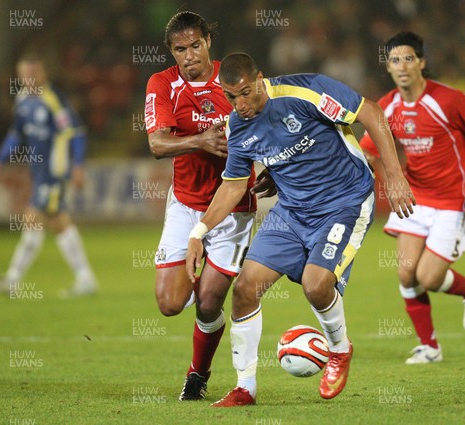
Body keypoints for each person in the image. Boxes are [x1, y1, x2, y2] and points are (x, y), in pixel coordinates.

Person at [186, 53, 415, 407]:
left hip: (345, 202)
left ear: (260, 78)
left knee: (316, 285)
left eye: (245, 93)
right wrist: (197, 234)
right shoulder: (238, 127)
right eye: (231, 97)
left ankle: (339, 350)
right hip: (292, 212)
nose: (240, 104)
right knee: (245, 288)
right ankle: (245, 387)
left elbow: (370, 112)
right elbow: (232, 185)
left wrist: (395, 175)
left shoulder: (304, 91)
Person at [145, 12, 274, 401]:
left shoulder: (233, 79)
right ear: (172, 51)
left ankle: (197, 375)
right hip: (185, 205)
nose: (189, 55)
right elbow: (157, 144)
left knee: (209, 300)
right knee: (170, 304)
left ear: (208, 43)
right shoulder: (163, 84)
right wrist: (199, 140)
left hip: (233, 207)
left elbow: (273, 124)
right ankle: (202, 284)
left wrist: (276, 169)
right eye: (180, 49)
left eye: (195, 45)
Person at [360, 32, 465, 364]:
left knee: (429, 278)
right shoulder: (387, 106)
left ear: (422, 62)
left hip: (455, 200)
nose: (403, 66)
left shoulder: (451, 100)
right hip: (417, 197)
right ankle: (429, 347)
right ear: (388, 67)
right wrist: (390, 181)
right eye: (395, 60)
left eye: (409, 58)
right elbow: (370, 151)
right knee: (406, 273)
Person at [0, 54, 97, 298]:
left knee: (34, 219)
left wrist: (78, 166)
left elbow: (76, 132)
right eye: (24, 75)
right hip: (39, 172)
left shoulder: (53, 101)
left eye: (33, 75)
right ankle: (85, 278)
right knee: (57, 222)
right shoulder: (22, 100)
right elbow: (16, 134)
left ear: (43, 74)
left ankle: (13, 280)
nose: (29, 80)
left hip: (54, 171)